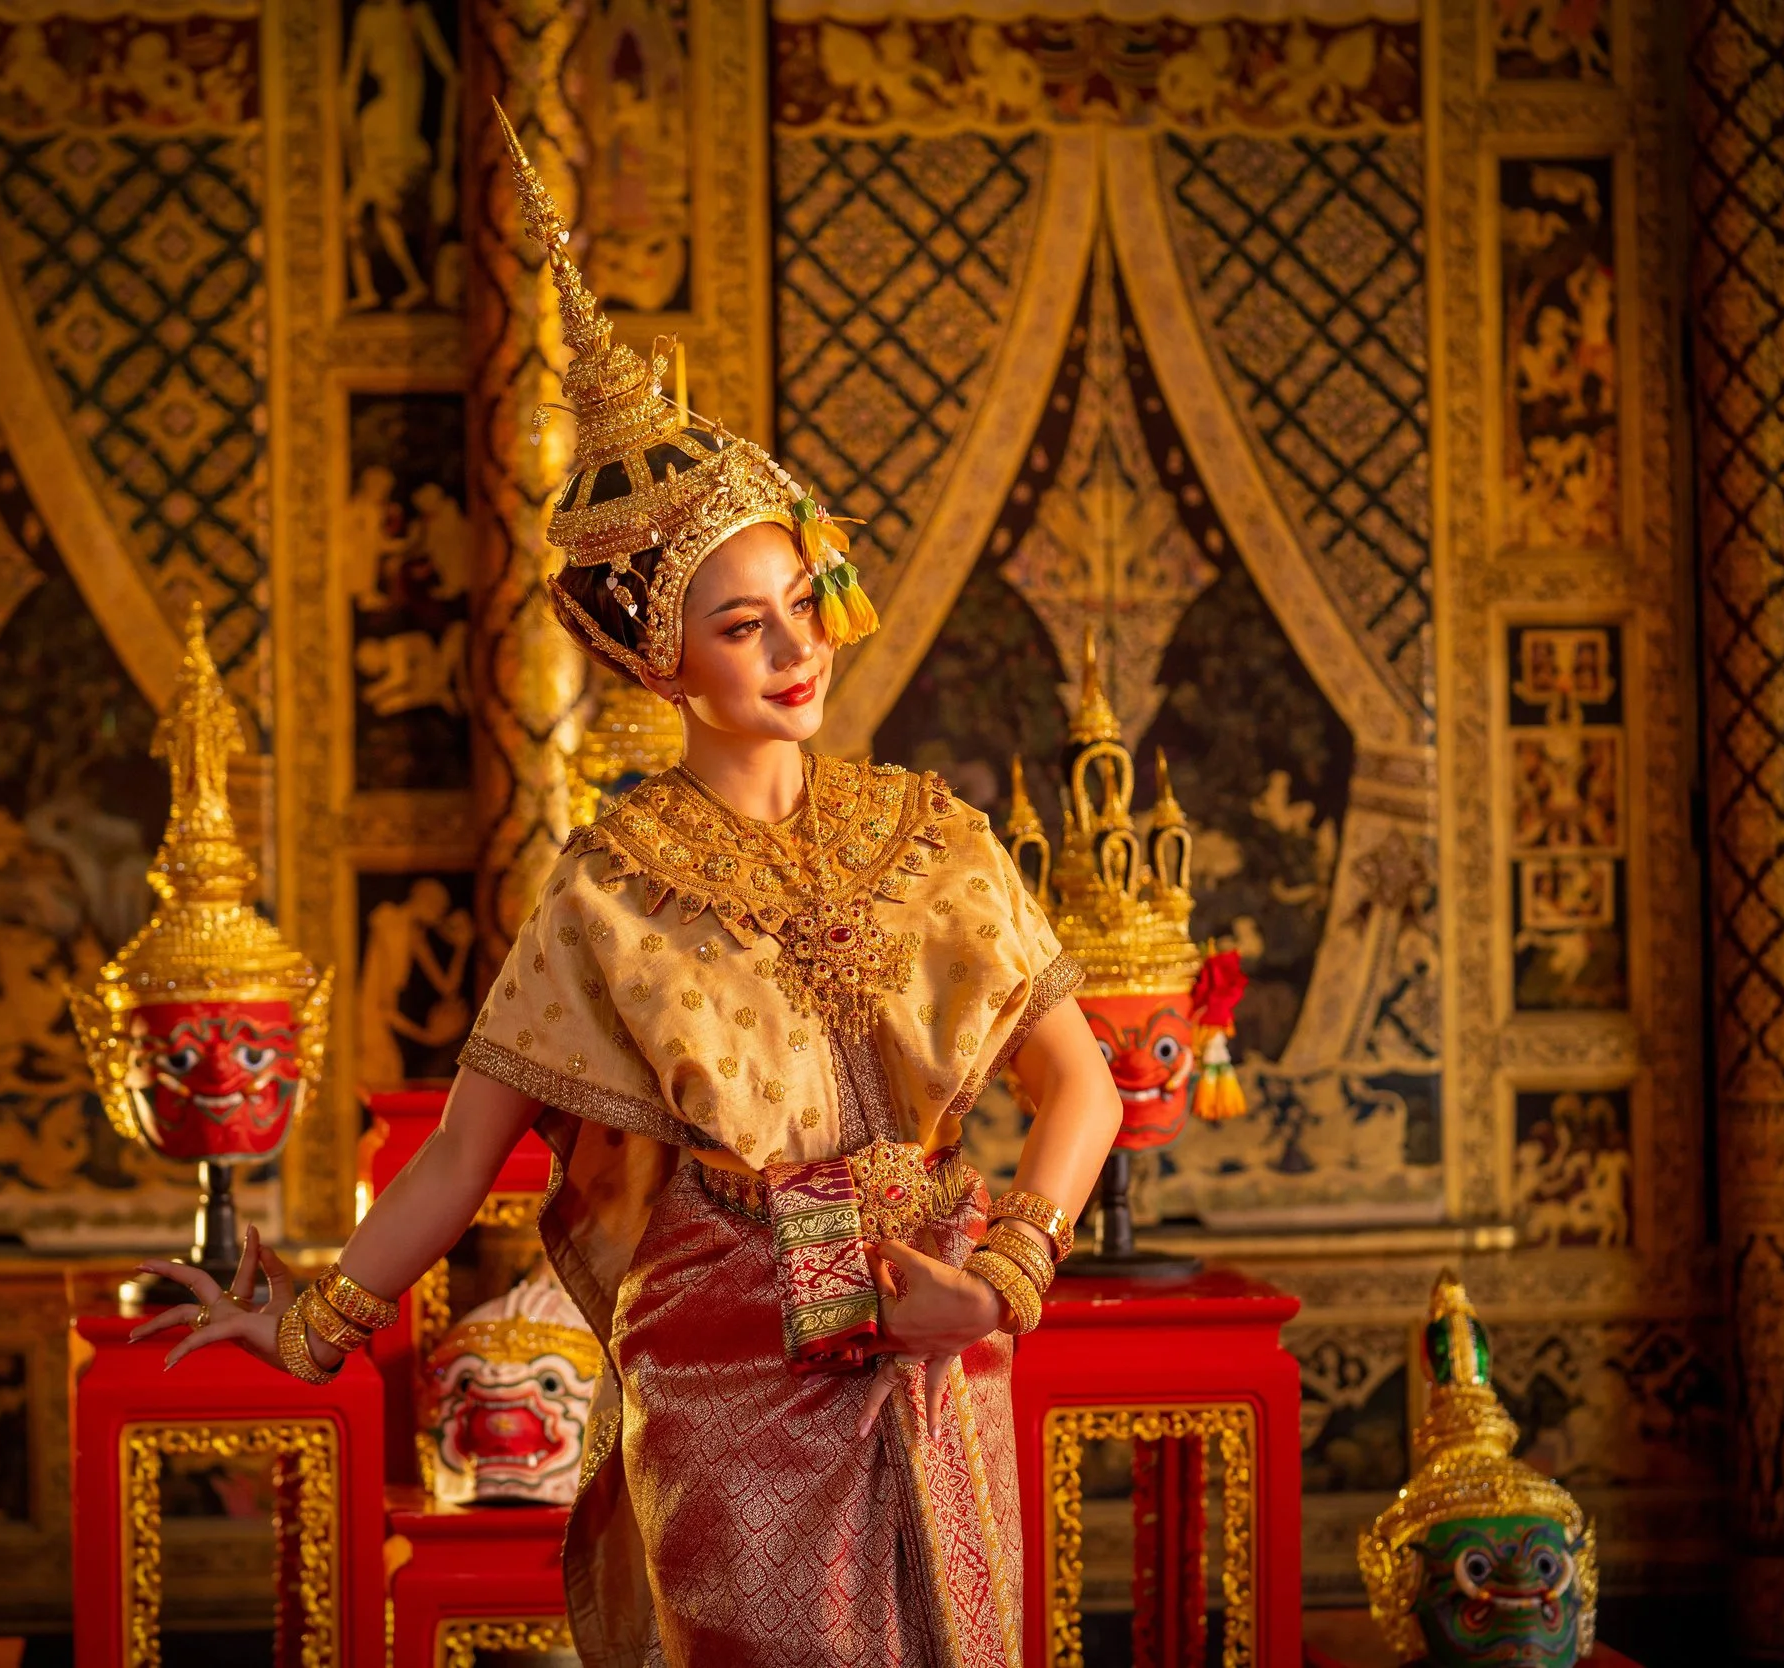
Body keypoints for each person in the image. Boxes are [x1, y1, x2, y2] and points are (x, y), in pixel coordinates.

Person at [135, 109, 1121, 1668]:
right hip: (730, 1347)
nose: (798, 651)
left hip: (939, 1322)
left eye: (803, 602)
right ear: (658, 656)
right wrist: (318, 1322)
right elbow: (465, 1161)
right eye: (743, 626)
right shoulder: (610, 887)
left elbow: (1083, 1088)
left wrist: (1004, 1280)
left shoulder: (933, 833)